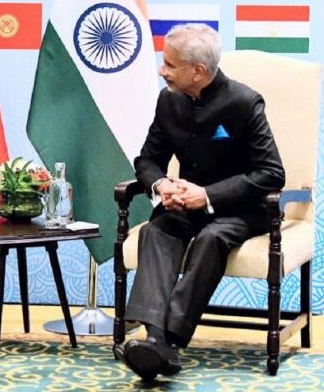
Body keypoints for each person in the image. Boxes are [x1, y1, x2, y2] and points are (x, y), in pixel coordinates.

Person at [120, 23, 285, 381]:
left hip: (238, 210)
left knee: (210, 241)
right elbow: (147, 160)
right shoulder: (169, 100)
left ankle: (168, 343)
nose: (161, 71)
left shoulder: (244, 102)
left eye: (169, 64)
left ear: (198, 71)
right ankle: (155, 341)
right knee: (156, 231)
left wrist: (207, 196)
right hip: (182, 206)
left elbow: (272, 174)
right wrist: (162, 185)